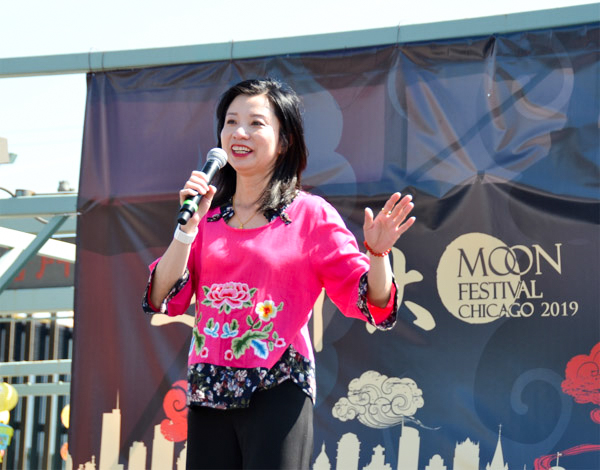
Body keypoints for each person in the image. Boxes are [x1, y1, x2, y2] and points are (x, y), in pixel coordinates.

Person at [143, 77, 415, 470]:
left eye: (256, 123)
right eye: (231, 122)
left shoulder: (309, 215)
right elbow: (162, 296)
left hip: (278, 382)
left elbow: (372, 300)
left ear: (284, 140)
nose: (239, 133)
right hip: (209, 389)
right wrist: (186, 230)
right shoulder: (207, 219)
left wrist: (377, 253)